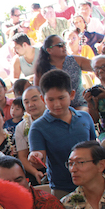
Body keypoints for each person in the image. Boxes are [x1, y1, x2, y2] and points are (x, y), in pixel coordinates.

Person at [29, 69, 97, 197]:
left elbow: (96, 150)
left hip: (92, 182)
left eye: (61, 98)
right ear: (43, 99)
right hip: (63, 189)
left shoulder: (85, 117)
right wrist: (35, 157)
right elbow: (39, 156)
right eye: (51, 99)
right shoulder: (38, 127)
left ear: (71, 94)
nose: (57, 104)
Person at [33, 34, 91, 109]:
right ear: (49, 50)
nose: (64, 47)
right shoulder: (42, 68)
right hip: (56, 108)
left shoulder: (75, 60)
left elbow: (97, 66)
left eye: (64, 44)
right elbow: (37, 91)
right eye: (60, 45)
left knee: (78, 117)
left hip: (80, 104)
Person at [15, 86, 48, 184]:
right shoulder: (21, 127)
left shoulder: (55, 118)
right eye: (26, 102)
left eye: (34, 100)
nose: (31, 105)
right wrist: (35, 172)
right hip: (36, 169)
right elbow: (23, 156)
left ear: (43, 98)